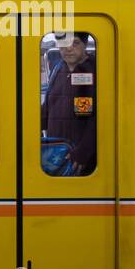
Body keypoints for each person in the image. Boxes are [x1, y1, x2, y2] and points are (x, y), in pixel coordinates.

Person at [40, 31, 95, 175]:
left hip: (82, 158)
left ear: (84, 45)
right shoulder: (58, 69)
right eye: (63, 44)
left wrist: (84, 151)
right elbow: (48, 107)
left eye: (75, 43)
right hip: (57, 152)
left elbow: (101, 117)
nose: (68, 48)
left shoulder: (96, 70)